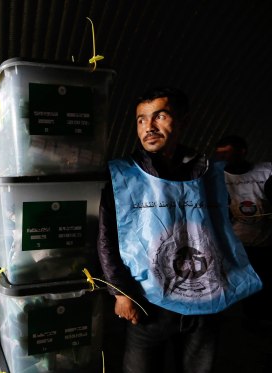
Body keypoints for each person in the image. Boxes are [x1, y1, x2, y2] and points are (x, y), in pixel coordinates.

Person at [97, 86, 262, 373]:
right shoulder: (124, 175)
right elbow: (107, 237)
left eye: (159, 116)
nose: (149, 127)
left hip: (205, 301)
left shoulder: (208, 172)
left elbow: (221, 231)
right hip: (148, 302)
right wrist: (120, 293)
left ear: (182, 121)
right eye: (141, 119)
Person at [214, 135, 272, 322]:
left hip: (265, 243)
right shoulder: (217, 177)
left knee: (264, 285)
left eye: (227, 153)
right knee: (243, 287)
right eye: (219, 155)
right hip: (236, 246)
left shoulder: (266, 172)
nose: (222, 159)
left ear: (242, 152)